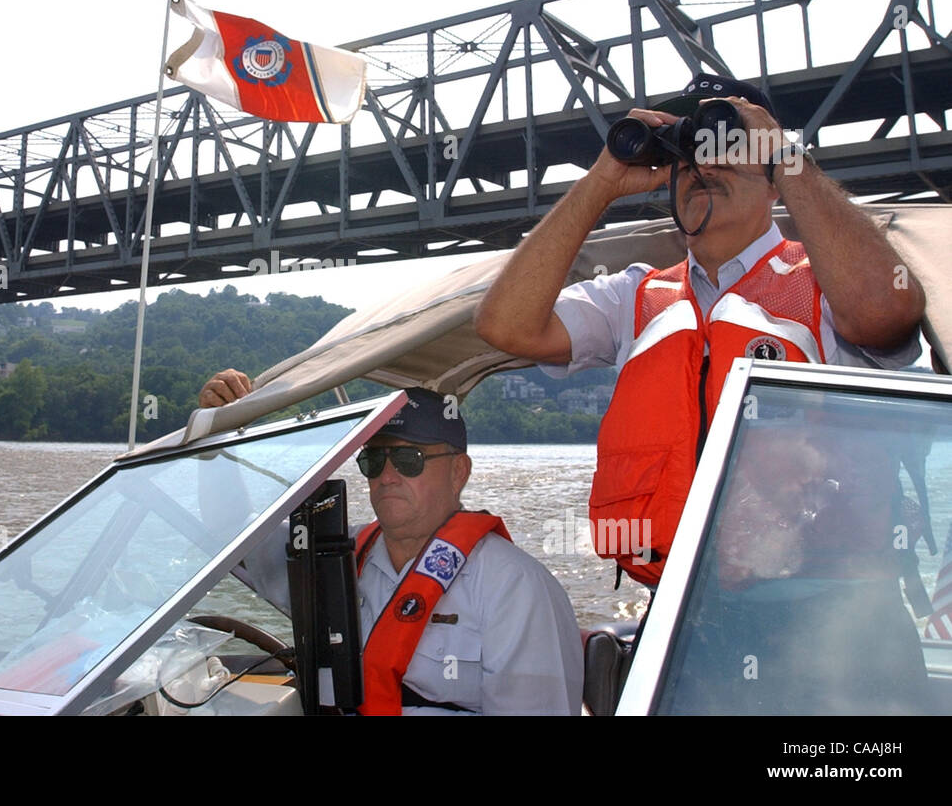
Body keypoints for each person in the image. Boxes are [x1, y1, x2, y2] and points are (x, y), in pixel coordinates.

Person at [474, 73, 926, 586]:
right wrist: (601, 183)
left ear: (773, 168)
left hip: (828, 608)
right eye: (685, 152)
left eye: (729, 142)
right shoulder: (636, 297)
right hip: (680, 607)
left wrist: (786, 157)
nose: (702, 163)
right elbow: (504, 326)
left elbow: (885, 313)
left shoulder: (824, 285)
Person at [199, 370, 584, 715]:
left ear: (458, 472)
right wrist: (218, 436)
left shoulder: (516, 587)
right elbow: (232, 532)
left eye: (409, 459)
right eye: (374, 460)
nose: (387, 475)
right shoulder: (338, 557)